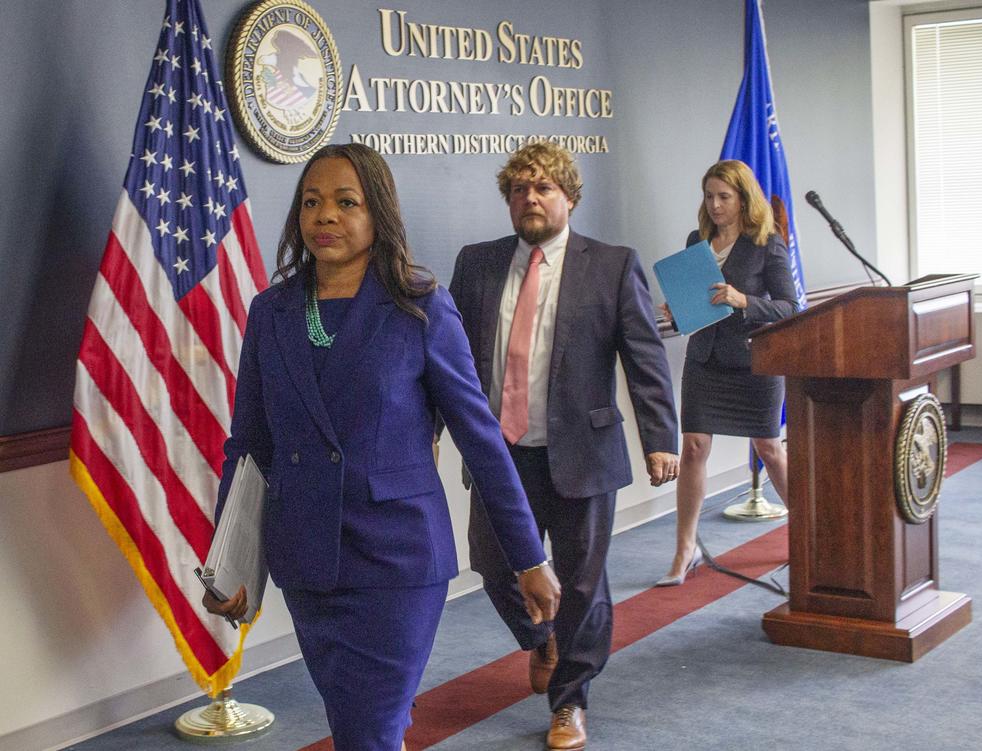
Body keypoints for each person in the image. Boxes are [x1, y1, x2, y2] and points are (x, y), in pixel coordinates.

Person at [201, 143, 560, 751]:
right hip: (307, 562)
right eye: (312, 202)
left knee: (367, 733)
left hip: (396, 560)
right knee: (357, 727)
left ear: (379, 214)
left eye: (346, 202)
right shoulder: (272, 312)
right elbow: (249, 445)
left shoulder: (419, 305)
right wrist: (228, 561)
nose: (325, 217)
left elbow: (480, 439)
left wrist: (528, 556)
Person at [445, 142, 679, 750]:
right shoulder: (476, 264)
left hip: (583, 452)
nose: (530, 197)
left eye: (543, 187)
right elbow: (450, 361)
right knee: (494, 566)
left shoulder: (612, 263)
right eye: (519, 188)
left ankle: (569, 700)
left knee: (580, 582)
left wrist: (660, 437)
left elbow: (644, 358)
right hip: (500, 455)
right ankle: (540, 637)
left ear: (569, 197)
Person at [656, 159, 799, 587]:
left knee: (770, 449)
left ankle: (807, 538)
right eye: (709, 196)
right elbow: (698, 309)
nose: (715, 205)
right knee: (694, 447)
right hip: (705, 361)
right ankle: (686, 548)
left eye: (724, 197)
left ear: (742, 198)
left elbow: (791, 308)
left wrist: (743, 300)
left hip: (755, 363)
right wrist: (677, 311)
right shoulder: (696, 241)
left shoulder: (766, 242)